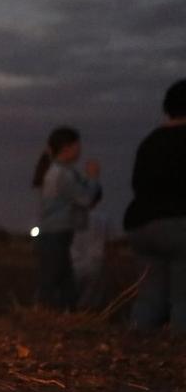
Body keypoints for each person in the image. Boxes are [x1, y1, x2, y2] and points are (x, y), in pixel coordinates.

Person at [125, 78, 186, 331]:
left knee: (150, 297)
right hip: (179, 225)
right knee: (183, 299)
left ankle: (134, 352)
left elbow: (137, 183)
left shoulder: (150, 142)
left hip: (142, 225)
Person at [32, 127, 102, 310]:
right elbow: (85, 198)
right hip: (55, 233)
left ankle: (62, 317)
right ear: (67, 148)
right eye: (77, 145)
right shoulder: (62, 174)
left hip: (55, 233)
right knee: (54, 282)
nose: (80, 150)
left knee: (63, 283)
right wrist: (93, 177)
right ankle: (44, 319)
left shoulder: (59, 172)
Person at [71, 209, 110, 311]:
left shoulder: (67, 219)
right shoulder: (103, 219)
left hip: (74, 264)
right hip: (96, 264)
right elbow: (109, 244)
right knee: (91, 304)